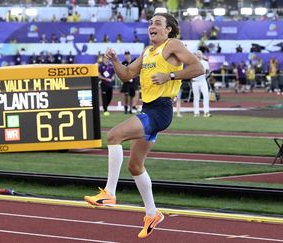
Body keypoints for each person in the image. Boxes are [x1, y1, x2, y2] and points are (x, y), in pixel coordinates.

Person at [84, 12, 204, 239]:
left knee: (113, 135)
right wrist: (115, 61)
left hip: (160, 110)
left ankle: (109, 193)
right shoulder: (147, 52)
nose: (152, 26)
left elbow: (198, 68)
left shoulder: (173, 45)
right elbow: (127, 75)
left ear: (168, 29)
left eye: (157, 23)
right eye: (150, 23)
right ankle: (152, 213)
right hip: (148, 109)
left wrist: (170, 75)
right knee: (135, 166)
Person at [192, 50, 211, 117]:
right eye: (197, 54)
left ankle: (206, 112)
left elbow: (208, 71)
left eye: (200, 54)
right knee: (196, 97)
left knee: (206, 95)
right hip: (195, 81)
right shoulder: (193, 62)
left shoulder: (205, 62)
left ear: (202, 55)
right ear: (195, 55)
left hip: (203, 80)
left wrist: (207, 75)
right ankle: (196, 112)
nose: (199, 55)